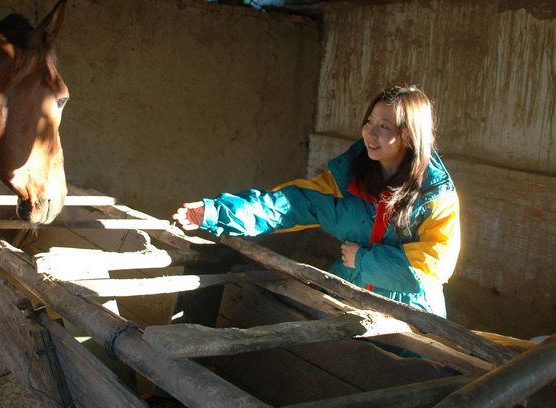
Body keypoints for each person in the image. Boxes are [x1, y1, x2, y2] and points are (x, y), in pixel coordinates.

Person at [173, 86, 460, 317]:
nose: (370, 133)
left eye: (384, 126)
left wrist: (363, 260)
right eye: (370, 121)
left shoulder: (436, 197)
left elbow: (434, 265)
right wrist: (213, 212)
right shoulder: (346, 182)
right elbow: (286, 204)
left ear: (409, 135)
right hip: (348, 299)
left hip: (410, 316)